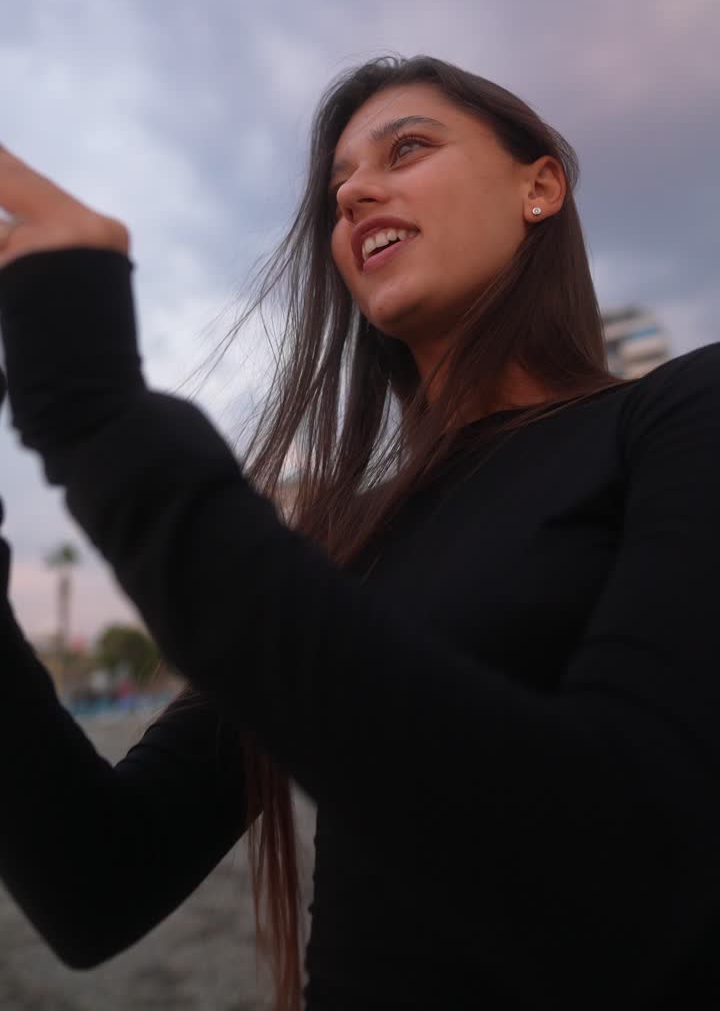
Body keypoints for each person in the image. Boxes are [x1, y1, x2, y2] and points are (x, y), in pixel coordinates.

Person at [0, 53, 719, 1011]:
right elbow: (95, 879)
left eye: (406, 148)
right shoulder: (350, 541)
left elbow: (628, 877)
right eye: (337, 187)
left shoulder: (683, 417)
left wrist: (94, 415)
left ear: (538, 185)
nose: (355, 195)